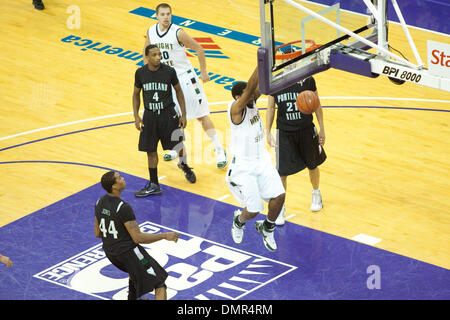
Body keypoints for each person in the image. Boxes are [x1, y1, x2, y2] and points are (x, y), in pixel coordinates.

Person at [143, 3, 227, 169]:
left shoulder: (178, 32)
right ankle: (177, 149)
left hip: (186, 78)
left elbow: (199, 48)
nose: (166, 17)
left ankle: (219, 149)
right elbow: (146, 54)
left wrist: (203, 72)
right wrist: (149, 74)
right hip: (168, 80)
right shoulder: (151, 31)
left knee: (201, 116)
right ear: (156, 16)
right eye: (163, 14)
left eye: (168, 14)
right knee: (174, 118)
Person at [226, 67, 286, 252]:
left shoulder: (252, 103)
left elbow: (259, 86)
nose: (253, 96)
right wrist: (260, 62)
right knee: (253, 210)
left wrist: (270, 63)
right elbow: (252, 86)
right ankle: (239, 221)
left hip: (261, 160)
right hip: (243, 166)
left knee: (279, 196)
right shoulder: (235, 109)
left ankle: (267, 228)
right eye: (248, 95)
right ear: (238, 98)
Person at [94, 171, 180, 300]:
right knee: (159, 282)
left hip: (110, 252)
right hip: (128, 253)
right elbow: (138, 238)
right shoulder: (123, 207)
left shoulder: (99, 202)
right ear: (114, 186)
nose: (123, 178)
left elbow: (98, 233)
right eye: (119, 178)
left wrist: (116, 236)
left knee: (135, 272)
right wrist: (164, 235)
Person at [133, 44, 196, 197]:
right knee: (150, 150)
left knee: (178, 144)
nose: (158, 57)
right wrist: (136, 115)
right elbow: (135, 94)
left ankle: (184, 165)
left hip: (168, 114)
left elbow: (179, 92)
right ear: (147, 57)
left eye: (159, 54)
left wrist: (183, 114)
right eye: (154, 55)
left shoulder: (169, 71)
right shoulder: (140, 73)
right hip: (150, 116)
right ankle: (154, 183)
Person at [266, 70, 326, 224]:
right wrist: (267, 131)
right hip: (285, 132)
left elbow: (316, 103)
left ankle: (316, 193)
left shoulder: (307, 80)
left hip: (306, 129)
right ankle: (280, 208)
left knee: (313, 165)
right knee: (282, 173)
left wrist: (322, 128)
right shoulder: (275, 82)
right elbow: (271, 107)